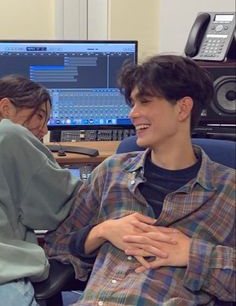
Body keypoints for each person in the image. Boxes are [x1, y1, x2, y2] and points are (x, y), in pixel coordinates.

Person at [45, 55, 235, 305]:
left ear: (183, 108)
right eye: (132, 103)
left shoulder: (227, 189)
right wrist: (103, 231)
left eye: (144, 101)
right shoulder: (112, 172)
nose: (133, 114)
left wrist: (192, 253)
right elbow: (55, 245)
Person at [0, 75, 82, 306]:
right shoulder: (10, 134)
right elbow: (62, 203)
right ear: (5, 108)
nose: (44, 129)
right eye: (39, 116)